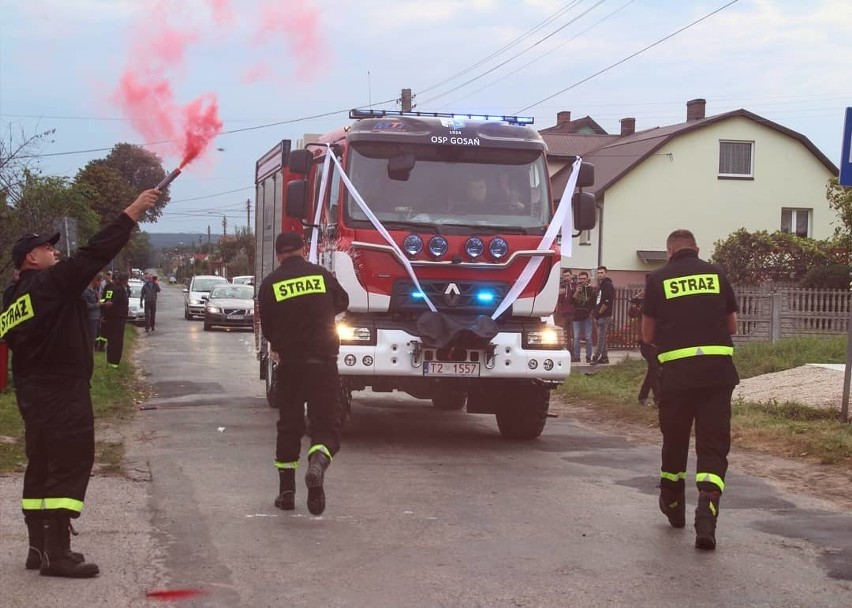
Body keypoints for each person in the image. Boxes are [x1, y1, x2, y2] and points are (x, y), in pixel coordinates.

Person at [0, 189, 160, 578]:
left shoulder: (13, 296)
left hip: (32, 390)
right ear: (30, 258)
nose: (54, 252)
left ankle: (37, 547)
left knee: (40, 462)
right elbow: (93, 254)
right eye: (46, 248)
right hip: (61, 389)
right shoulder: (48, 285)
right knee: (69, 463)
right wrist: (133, 211)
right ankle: (59, 554)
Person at [641, 229, 739, 551]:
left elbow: (647, 334)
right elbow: (732, 326)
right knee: (713, 445)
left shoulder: (658, 280)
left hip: (676, 378)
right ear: (696, 249)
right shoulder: (717, 273)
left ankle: (672, 503)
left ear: (669, 251)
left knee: (676, 440)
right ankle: (707, 513)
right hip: (716, 375)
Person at [258, 232, 349, 516]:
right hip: (324, 363)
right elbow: (342, 302)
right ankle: (319, 459)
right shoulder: (321, 275)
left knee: (290, 425)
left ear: (278, 255)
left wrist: (283, 342)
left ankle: (286, 494)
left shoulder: (270, 283)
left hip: (291, 365)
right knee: (326, 424)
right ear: (302, 250)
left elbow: (268, 327)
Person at [631, 282, 660, 407]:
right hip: (646, 342)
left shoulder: (657, 303)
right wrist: (636, 302)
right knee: (655, 368)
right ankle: (658, 399)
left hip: (656, 342)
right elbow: (632, 313)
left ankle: (642, 396)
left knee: (653, 369)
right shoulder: (644, 304)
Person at [100, 272, 130, 368]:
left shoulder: (110, 287)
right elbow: (110, 303)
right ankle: (114, 363)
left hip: (111, 318)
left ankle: (110, 362)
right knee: (116, 342)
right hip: (117, 319)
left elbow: (105, 300)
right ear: (125, 280)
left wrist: (103, 314)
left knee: (111, 341)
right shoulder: (119, 289)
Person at [570, 270, 595, 364]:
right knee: (576, 337)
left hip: (587, 316)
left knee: (588, 337)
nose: (582, 280)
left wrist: (592, 312)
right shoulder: (575, 289)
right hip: (576, 316)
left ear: (587, 279)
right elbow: (571, 301)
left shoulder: (591, 290)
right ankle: (577, 356)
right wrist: (577, 291)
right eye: (580, 279)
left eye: (584, 279)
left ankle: (589, 356)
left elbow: (593, 302)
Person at [591, 266, 614, 364]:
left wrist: (599, 313)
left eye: (602, 272)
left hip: (604, 315)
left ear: (606, 273)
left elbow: (607, 301)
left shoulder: (608, 285)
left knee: (600, 337)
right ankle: (604, 357)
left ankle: (596, 357)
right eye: (598, 273)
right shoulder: (601, 285)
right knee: (602, 337)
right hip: (599, 315)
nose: (600, 274)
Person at [82, 274, 103, 351]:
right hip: (91, 317)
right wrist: (98, 304)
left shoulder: (95, 290)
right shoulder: (86, 291)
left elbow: (98, 302)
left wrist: (101, 300)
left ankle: (92, 350)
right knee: (90, 338)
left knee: (94, 337)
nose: (100, 284)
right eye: (99, 281)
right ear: (94, 280)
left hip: (96, 317)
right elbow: (86, 305)